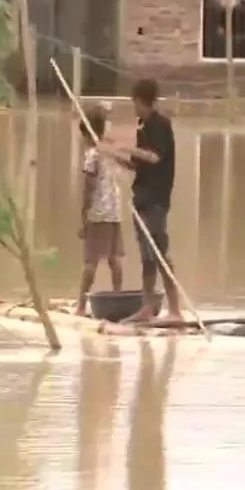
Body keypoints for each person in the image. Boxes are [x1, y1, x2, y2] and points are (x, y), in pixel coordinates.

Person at [108, 79, 182, 323]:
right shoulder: (142, 127)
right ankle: (147, 307)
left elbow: (154, 157)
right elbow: (138, 165)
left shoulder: (161, 125)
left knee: (160, 252)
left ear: (142, 101)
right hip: (140, 198)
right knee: (146, 256)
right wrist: (113, 154)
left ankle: (175, 310)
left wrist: (127, 147)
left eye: (135, 103)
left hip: (156, 200)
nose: (134, 107)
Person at [75, 105, 124, 317]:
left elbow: (89, 186)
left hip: (99, 213)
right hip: (114, 211)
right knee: (114, 259)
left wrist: (83, 216)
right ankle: (118, 297)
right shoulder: (109, 152)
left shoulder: (92, 155)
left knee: (90, 261)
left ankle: (80, 306)